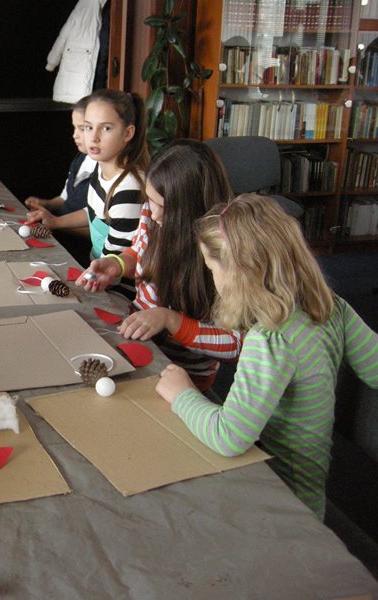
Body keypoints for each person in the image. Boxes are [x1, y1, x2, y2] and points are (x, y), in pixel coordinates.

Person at [156, 194, 378, 520]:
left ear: (239, 273)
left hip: (282, 505)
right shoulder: (330, 306)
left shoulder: (271, 341)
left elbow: (229, 437)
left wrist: (182, 394)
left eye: (211, 268)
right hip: (308, 495)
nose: (212, 279)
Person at [78, 139, 240, 391]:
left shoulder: (222, 251)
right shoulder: (152, 211)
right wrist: (119, 264)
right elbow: (140, 251)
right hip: (136, 345)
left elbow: (237, 345)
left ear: (190, 209)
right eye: (150, 200)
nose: (152, 214)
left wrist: (170, 320)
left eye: (163, 206)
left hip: (181, 375)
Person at [26, 89, 147, 264]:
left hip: (112, 276)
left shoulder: (128, 189)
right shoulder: (100, 169)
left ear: (127, 133)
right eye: (89, 127)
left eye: (106, 128)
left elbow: (113, 264)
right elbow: (94, 212)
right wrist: (54, 222)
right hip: (97, 267)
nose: (94, 137)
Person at [24, 96, 96, 266]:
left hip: (79, 250)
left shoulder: (106, 174)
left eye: (83, 128)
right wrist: (45, 204)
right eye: (74, 127)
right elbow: (64, 198)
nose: (74, 135)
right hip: (59, 231)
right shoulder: (80, 159)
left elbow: (99, 228)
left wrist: (56, 223)